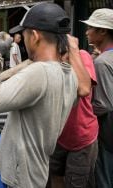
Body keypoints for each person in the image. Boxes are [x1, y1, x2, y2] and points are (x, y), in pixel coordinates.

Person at [0, 3, 91, 188]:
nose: (23, 40)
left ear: (35, 36)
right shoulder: (69, 74)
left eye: (24, 35)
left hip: (19, 175)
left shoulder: (38, 73)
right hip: (32, 162)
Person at [48, 50, 98, 188]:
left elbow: (83, 89)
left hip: (81, 136)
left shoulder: (81, 55)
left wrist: (71, 50)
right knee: (55, 175)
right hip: (58, 136)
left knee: (76, 183)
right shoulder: (47, 58)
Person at [80, 8, 113, 188]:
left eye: (91, 27)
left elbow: (104, 105)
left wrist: (80, 111)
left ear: (103, 31)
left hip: (107, 136)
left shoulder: (102, 62)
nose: (87, 32)